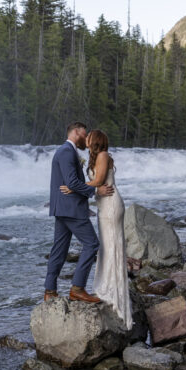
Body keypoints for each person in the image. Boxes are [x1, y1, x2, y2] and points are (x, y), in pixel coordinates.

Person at [60, 129, 133, 328]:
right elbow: (96, 183)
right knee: (106, 247)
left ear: (97, 140)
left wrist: (74, 187)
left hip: (111, 204)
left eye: (90, 136)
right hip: (104, 205)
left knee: (111, 246)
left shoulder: (103, 155)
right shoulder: (96, 157)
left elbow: (100, 181)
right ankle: (106, 287)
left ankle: (112, 290)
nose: (87, 139)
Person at [44, 122, 115, 303]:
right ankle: (77, 288)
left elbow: (71, 183)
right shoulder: (67, 151)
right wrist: (96, 191)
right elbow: (72, 182)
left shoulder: (65, 151)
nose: (87, 138)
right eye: (85, 134)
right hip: (72, 209)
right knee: (92, 244)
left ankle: (50, 291)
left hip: (62, 208)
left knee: (59, 250)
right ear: (76, 132)